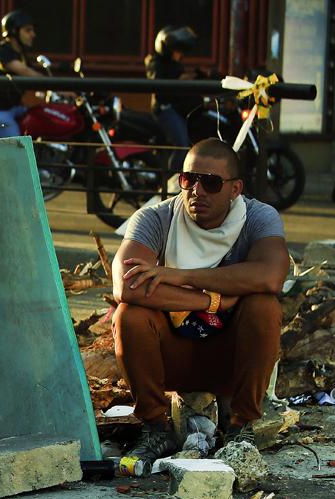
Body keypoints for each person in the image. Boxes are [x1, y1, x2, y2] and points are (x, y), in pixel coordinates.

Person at [111, 138, 289, 467]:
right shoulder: (156, 219)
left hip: (230, 358)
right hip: (172, 357)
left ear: (235, 189)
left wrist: (175, 275)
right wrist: (212, 301)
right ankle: (156, 429)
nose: (197, 191)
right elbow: (128, 286)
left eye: (210, 182)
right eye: (188, 180)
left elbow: (270, 276)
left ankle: (240, 428)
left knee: (265, 306)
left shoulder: (257, 218)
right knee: (129, 315)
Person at [0, 10, 42, 138]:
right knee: (15, 147)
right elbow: (26, 72)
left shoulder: (21, 55)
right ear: (14, 32)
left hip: (14, 108)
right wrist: (57, 87)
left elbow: (35, 75)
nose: (33, 34)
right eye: (28, 30)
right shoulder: (1, 51)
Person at [145, 26, 200, 168]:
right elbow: (164, 81)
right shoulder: (155, 63)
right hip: (165, 110)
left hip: (178, 108)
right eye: (176, 50)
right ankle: (171, 181)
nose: (179, 54)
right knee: (181, 146)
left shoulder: (175, 64)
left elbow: (181, 76)